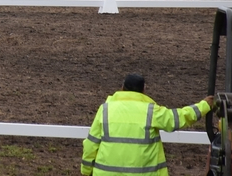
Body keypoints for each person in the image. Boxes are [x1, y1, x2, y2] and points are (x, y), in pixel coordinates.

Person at [81, 73, 214, 176]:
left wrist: (86, 171)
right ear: (144, 90)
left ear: (122, 88)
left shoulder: (105, 110)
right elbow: (177, 118)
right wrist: (204, 106)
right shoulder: (151, 111)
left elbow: (90, 145)